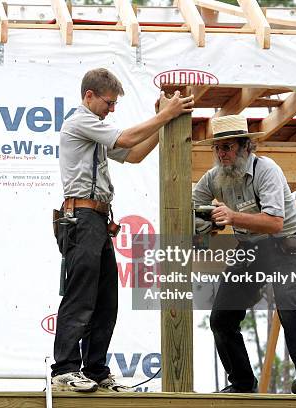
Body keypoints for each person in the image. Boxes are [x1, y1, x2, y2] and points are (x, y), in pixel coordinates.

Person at [51, 68, 194, 392]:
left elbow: (134, 154)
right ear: (89, 96)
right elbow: (127, 138)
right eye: (109, 102)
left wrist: (166, 123)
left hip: (97, 221)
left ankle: (96, 371)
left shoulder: (96, 130)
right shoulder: (80, 121)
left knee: (105, 300)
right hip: (82, 218)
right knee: (81, 294)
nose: (112, 109)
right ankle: (65, 368)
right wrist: (165, 114)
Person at [192, 114, 296, 394]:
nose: (221, 153)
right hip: (251, 249)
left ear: (245, 147)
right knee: (221, 318)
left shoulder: (267, 170)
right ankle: (241, 383)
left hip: (283, 244)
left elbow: (275, 222)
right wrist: (206, 224)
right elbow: (189, 205)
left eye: (227, 147)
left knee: (287, 301)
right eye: (217, 148)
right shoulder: (214, 178)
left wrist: (231, 217)